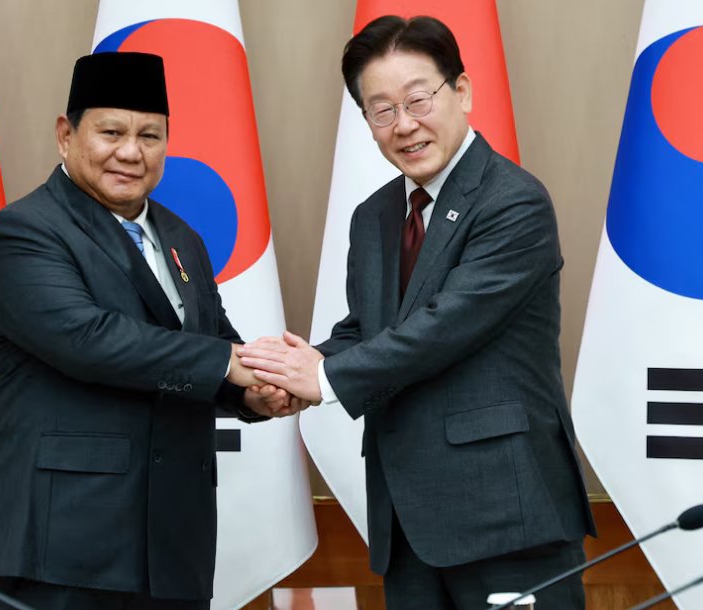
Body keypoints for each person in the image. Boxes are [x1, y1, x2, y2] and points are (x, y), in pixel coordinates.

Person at [239, 16, 596, 609]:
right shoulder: (375, 215)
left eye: (418, 100)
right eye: (382, 110)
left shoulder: (514, 201)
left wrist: (321, 379)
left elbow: (444, 326)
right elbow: (370, 329)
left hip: (506, 516)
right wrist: (281, 374)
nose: (404, 125)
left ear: (461, 93)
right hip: (407, 522)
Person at [0, 51, 299, 610]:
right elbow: (88, 339)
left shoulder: (182, 237)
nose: (131, 152)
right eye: (111, 132)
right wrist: (225, 364)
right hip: (54, 543)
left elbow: (213, 341)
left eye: (150, 136)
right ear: (66, 135)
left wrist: (254, 390)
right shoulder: (24, 232)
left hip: (169, 545)